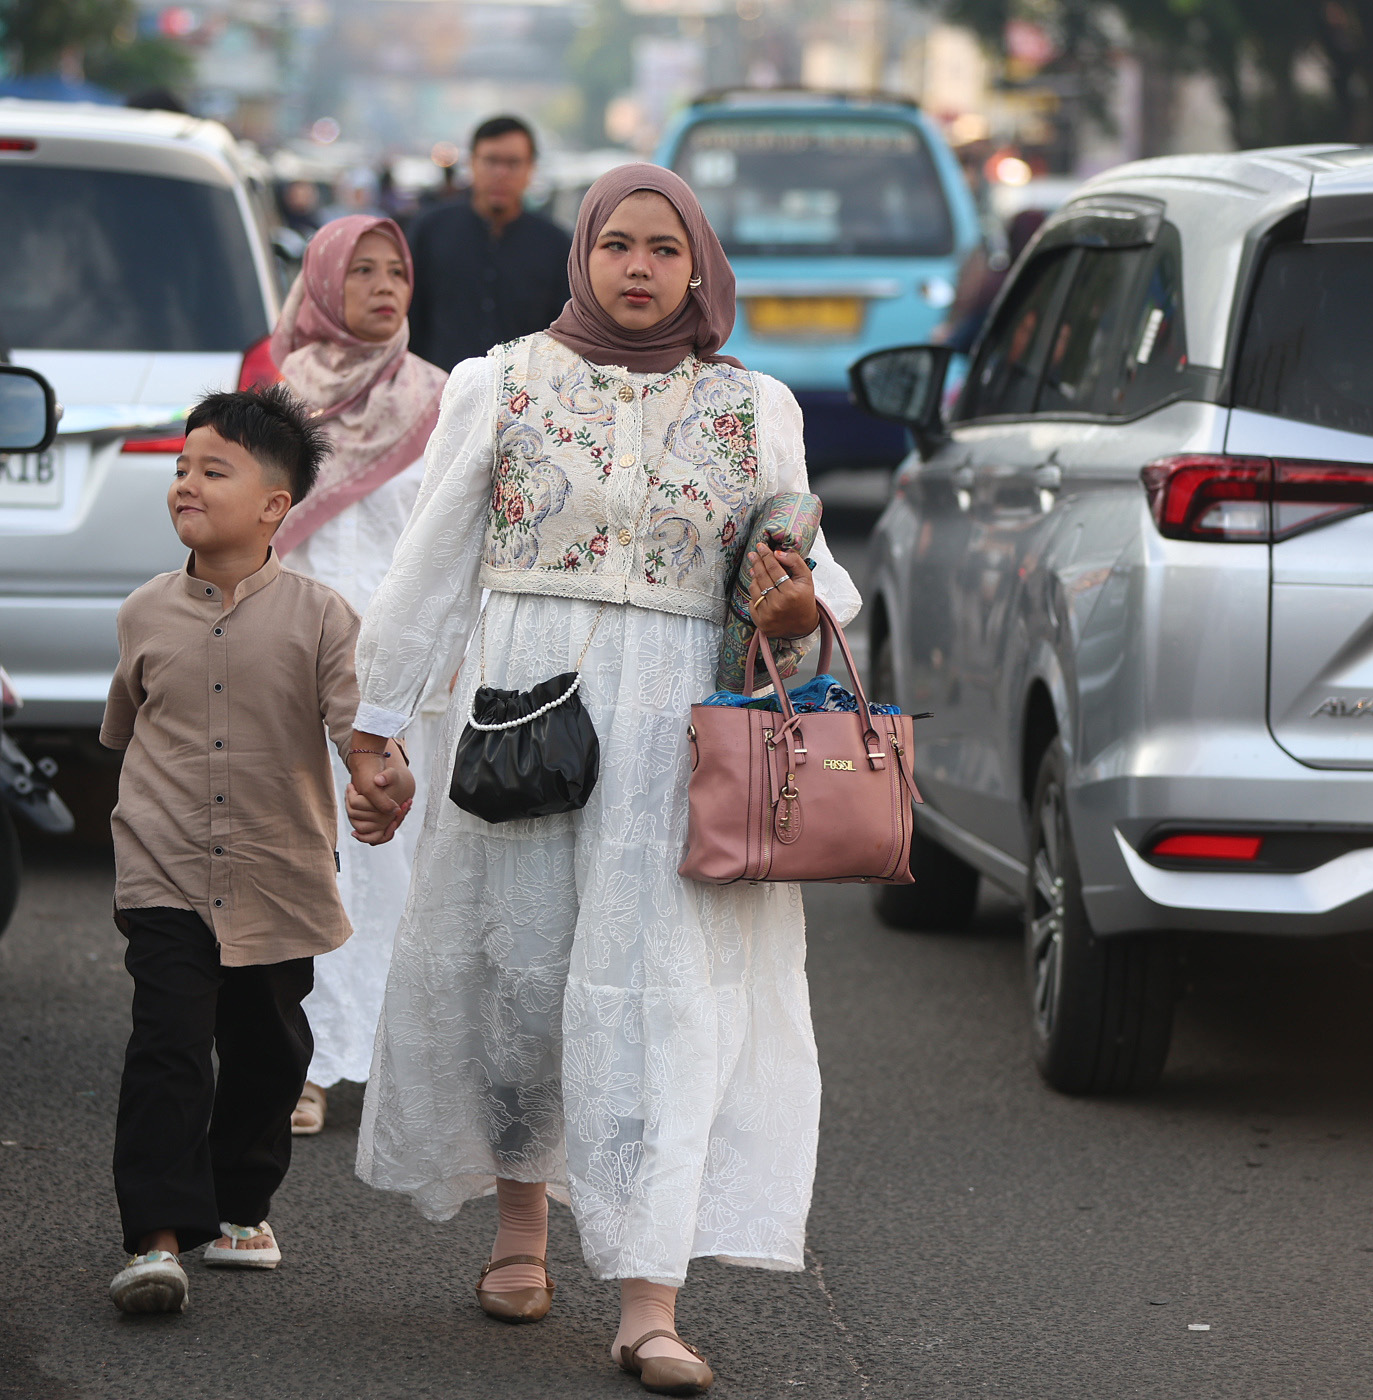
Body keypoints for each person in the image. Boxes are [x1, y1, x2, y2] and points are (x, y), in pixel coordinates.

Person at [341, 165, 860, 1395]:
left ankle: (648, 1298)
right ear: (583, 256)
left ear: (699, 268)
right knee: (519, 969)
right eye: (617, 243)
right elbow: (431, 566)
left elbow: (810, 597)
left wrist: (790, 604)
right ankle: (520, 1232)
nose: (638, 267)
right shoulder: (502, 381)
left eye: (663, 249)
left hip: (683, 734)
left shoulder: (757, 409)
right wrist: (376, 728)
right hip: (525, 705)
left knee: (663, 998)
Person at [100, 385, 381, 1315]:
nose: (186, 482)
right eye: (181, 467)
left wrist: (383, 776)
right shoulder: (142, 612)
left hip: (276, 870)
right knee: (169, 1047)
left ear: (275, 505)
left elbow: (355, 729)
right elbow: (125, 731)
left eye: (212, 470)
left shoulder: (321, 616)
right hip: (165, 863)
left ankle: (239, 1205)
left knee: (268, 1051)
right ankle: (156, 1236)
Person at [269, 215, 453, 1135]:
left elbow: (456, 546)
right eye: (363, 271)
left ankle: (364, 1057)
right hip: (288, 663)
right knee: (303, 863)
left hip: (396, 673)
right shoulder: (277, 398)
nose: (384, 287)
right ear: (323, 281)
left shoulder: (443, 401)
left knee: (390, 872)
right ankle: (296, 1057)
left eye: (398, 272)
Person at [404, 115, 571, 372]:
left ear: (531, 169)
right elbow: (410, 315)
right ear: (472, 163)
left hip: (523, 399)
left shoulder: (556, 244)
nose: (501, 173)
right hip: (438, 392)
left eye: (513, 163)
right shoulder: (430, 230)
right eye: (491, 161)